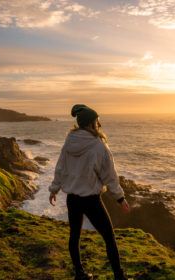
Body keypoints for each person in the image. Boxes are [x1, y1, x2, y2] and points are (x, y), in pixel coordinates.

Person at [48, 104, 130, 280]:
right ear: (92, 124)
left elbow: (60, 168)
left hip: (73, 199)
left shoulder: (69, 142)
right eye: (97, 121)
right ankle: (119, 277)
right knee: (109, 237)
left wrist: (54, 189)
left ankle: (80, 274)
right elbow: (110, 176)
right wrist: (120, 198)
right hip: (91, 201)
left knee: (74, 236)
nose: (98, 124)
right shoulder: (99, 146)